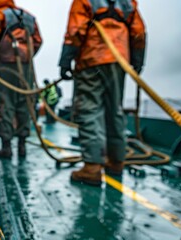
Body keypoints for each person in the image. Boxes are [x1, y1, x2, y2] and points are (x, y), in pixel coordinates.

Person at [59, 0, 146, 185]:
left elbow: (76, 29)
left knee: (89, 110)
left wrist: (66, 59)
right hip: (119, 60)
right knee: (115, 109)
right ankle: (116, 162)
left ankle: (92, 167)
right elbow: (138, 32)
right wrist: (137, 60)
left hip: (92, 59)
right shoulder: (127, 3)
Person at [0, 0, 43, 158]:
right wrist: (26, 56)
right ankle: (22, 146)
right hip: (26, 69)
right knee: (25, 104)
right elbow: (38, 41)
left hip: (5, 67)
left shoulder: (0, 14)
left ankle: (6, 147)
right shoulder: (29, 17)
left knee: (5, 105)